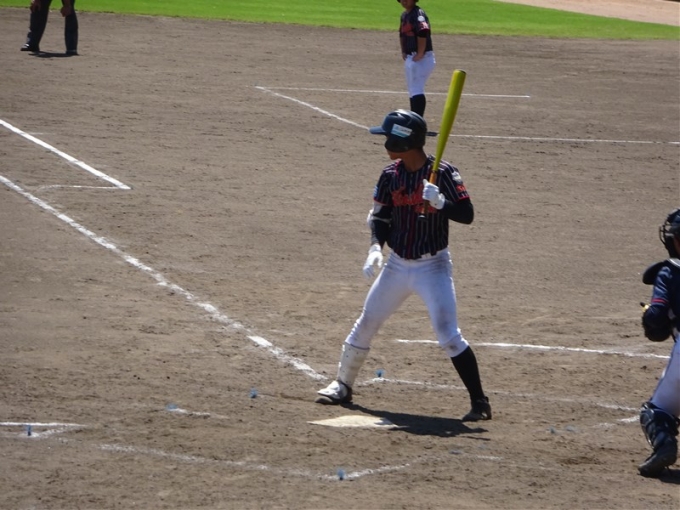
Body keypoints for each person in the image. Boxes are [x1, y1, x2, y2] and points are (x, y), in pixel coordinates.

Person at [315, 109, 491, 422]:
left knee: (449, 335)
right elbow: (380, 217)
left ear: (402, 142)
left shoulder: (444, 173)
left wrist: (441, 203)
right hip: (396, 265)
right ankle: (342, 385)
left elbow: (467, 215)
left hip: (433, 267)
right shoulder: (390, 175)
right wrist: (375, 247)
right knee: (367, 322)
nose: (384, 142)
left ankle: (480, 403)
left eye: (388, 137)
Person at [638, 208, 680, 477]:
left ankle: (664, 446)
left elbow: (656, 317)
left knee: (657, 412)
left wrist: (649, 318)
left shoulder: (670, 271)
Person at [398, 0, 436, 118]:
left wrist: (420, 52)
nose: (404, 1)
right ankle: (414, 118)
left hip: (422, 58)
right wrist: (403, 50)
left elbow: (423, 32)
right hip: (412, 57)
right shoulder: (405, 15)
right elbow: (401, 34)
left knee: (416, 89)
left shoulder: (418, 14)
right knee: (412, 90)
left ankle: (417, 120)